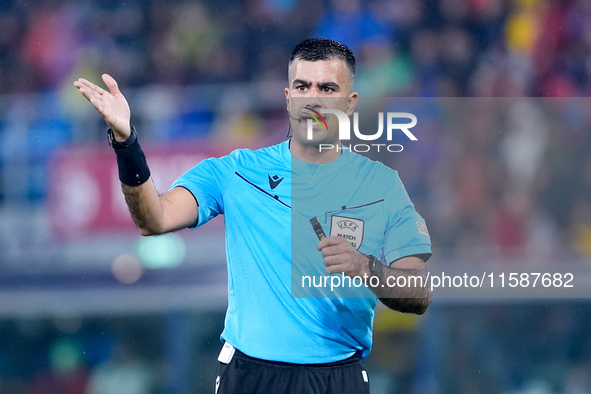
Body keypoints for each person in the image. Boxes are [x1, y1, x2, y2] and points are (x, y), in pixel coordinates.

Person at [74, 38, 432, 394]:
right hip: (250, 376)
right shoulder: (237, 171)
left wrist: (365, 267)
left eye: (327, 88)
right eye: (302, 86)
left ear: (349, 103)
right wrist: (126, 142)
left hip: (337, 378)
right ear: (288, 97)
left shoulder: (380, 185)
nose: (313, 98)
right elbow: (153, 219)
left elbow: (419, 292)